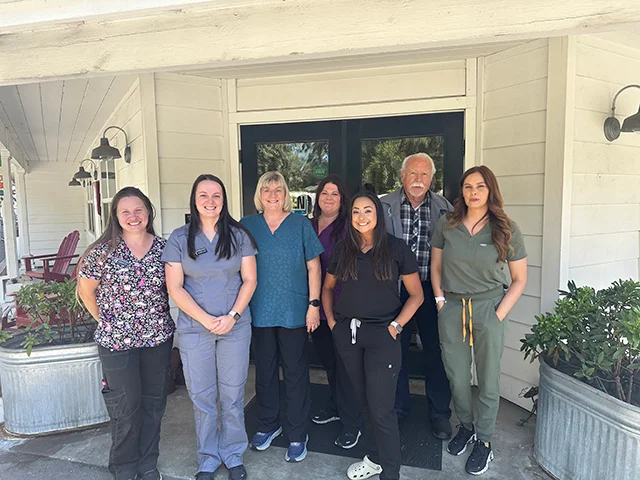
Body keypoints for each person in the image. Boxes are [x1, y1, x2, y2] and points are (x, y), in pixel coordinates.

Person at [431, 165, 527, 476]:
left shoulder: (506, 228)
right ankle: (466, 427)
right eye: (468, 186)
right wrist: (440, 301)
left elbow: (519, 279)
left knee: (487, 379)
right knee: (457, 376)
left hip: (489, 307)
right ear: (462, 191)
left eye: (480, 187)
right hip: (453, 307)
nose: (473, 192)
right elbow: (435, 267)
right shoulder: (447, 224)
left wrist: (499, 314)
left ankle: (484, 441)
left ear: (490, 190)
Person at [323, 191, 424, 480]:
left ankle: (390, 472)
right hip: (349, 335)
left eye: (367, 210)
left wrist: (396, 326)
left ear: (378, 215)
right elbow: (328, 287)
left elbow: (416, 296)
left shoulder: (396, 249)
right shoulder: (344, 250)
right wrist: (332, 322)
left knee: (381, 408)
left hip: (383, 336)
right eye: (355, 211)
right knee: (364, 401)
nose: (361, 217)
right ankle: (376, 458)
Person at [162, 175, 258, 480]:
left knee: (231, 394)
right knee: (202, 396)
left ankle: (232, 454)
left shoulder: (239, 235)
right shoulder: (179, 238)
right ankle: (207, 458)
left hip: (235, 326)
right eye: (203, 195)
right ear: (195, 199)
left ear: (224, 199)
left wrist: (232, 316)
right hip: (194, 328)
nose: (210, 200)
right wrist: (205, 320)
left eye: (216, 195)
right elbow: (175, 287)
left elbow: (250, 279)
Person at [77, 187, 175, 480]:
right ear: (116, 217)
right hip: (116, 342)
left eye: (139, 210)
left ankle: (147, 464)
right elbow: (86, 292)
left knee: (154, 403)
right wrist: (107, 322)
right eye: (125, 212)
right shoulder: (102, 251)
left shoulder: (165, 248)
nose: (133, 217)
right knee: (126, 405)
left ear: (148, 212)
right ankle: (123, 467)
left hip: (157, 338)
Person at [240, 171, 324, 463]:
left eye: (278, 189)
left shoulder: (301, 224)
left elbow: (314, 267)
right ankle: (268, 423)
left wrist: (314, 305)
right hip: (259, 310)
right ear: (259, 195)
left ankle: (298, 432)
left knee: (295, 373)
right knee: (263, 371)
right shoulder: (248, 225)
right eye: (267, 189)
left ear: (286, 193)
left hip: (294, 311)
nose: (273, 194)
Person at [380, 152, 453, 439]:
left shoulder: (445, 209)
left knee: (436, 350)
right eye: (413, 174)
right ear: (402, 176)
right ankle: (398, 408)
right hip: (394, 289)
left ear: (432, 179)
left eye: (424, 175)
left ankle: (439, 412)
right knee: (394, 351)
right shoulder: (383, 205)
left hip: (430, 289)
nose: (418, 180)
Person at [309, 174, 362, 449]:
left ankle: (353, 423)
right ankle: (335, 404)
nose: (329, 198)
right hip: (313, 309)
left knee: (346, 367)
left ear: (343, 200)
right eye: (325, 193)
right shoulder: (308, 225)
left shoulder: (347, 229)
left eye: (335, 194)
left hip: (340, 308)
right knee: (330, 363)